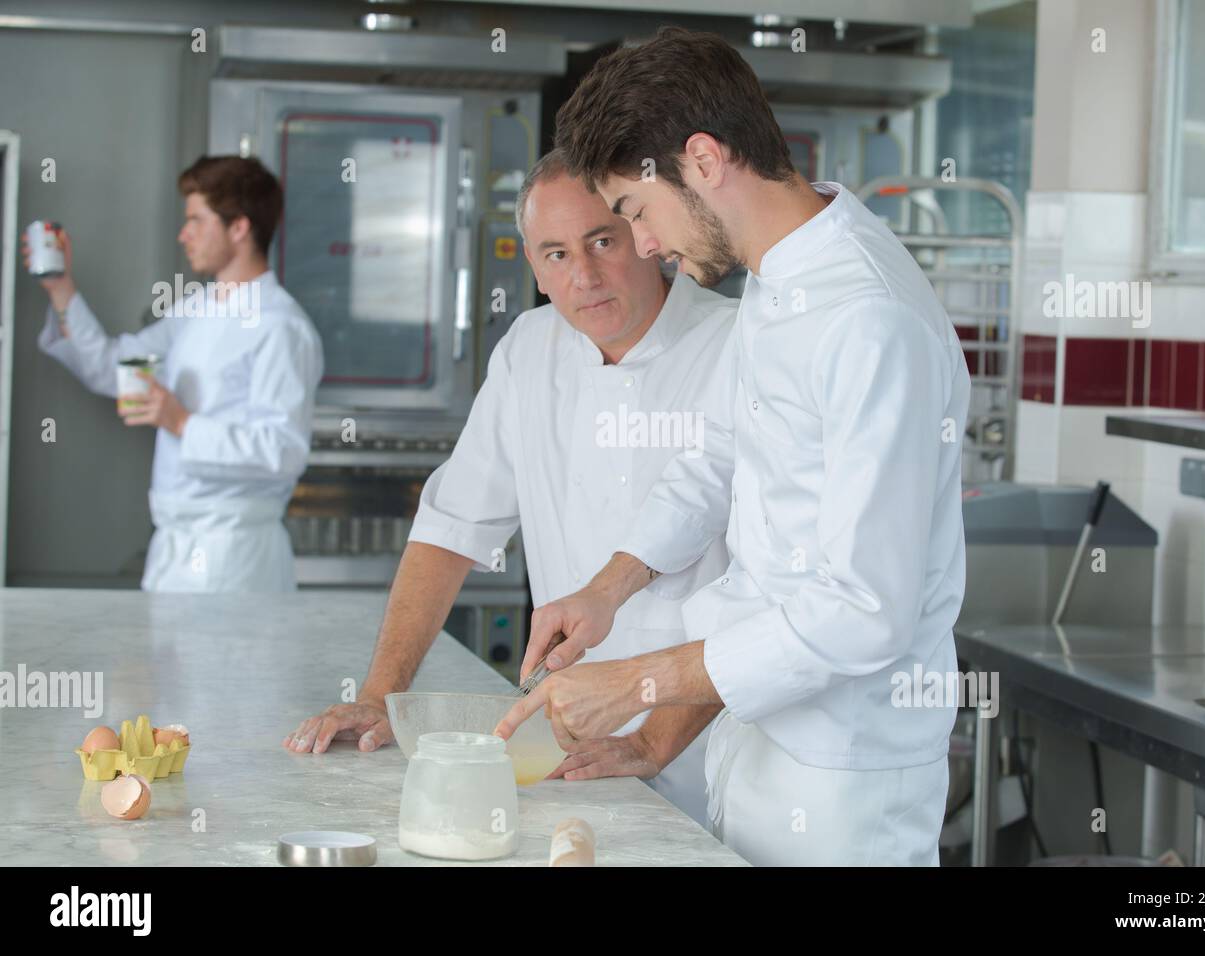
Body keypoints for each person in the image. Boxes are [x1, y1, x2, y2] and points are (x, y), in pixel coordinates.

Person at [497, 28, 972, 866]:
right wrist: (609, 590)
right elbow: (718, 455)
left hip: (841, 778)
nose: (641, 245)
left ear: (705, 160)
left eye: (637, 211)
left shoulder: (868, 319)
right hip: (755, 741)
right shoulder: (780, 278)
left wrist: (640, 682)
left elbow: (867, 609)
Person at [283, 149, 737, 825]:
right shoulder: (530, 349)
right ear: (531, 265)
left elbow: (763, 592)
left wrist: (650, 742)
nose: (582, 275)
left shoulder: (734, 345)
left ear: (646, 236)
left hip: (712, 755)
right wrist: (383, 697)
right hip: (575, 755)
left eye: (602, 241)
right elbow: (450, 529)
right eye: (554, 254)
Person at [25, 156, 324, 592]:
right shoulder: (197, 309)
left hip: (234, 558)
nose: (184, 234)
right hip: (173, 549)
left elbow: (283, 451)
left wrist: (181, 422)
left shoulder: (281, 327)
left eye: (196, 221)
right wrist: (61, 287)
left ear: (239, 228)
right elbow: (113, 367)